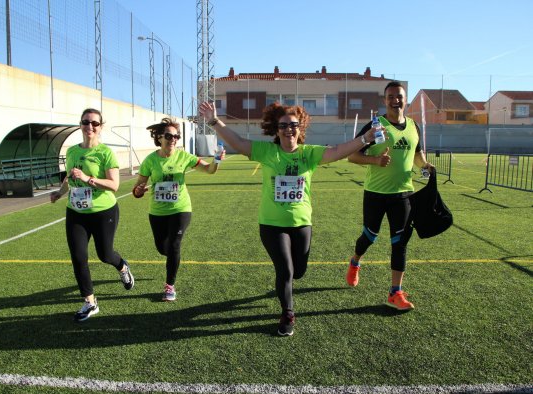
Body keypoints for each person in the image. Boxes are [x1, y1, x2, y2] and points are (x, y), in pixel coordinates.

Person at [198, 100, 382, 337]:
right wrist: (214, 121)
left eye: (293, 124)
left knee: (299, 272)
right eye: (283, 125)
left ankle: (287, 295)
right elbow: (239, 142)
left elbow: (338, 151)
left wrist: (365, 139)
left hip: (302, 223)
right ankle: (288, 313)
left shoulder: (309, 154)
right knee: (284, 270)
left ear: (300, 127)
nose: (289, 129)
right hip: (272, 225)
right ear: (276, 129)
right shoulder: (268, 152)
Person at [346, 81, 434, 310]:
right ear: (385, 100)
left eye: (400, 96)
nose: (396, 100)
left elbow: (417, 155)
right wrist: (375, 160)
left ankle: (396, 293)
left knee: (401, 242)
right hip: (376, 193)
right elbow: (353, 156)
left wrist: (425, 165)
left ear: (405, 99)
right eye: (391, 97)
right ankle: (355, 261)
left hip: (404, 194)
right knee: (369, 236)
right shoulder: (377, 126)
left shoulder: (414, 126)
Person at [50, 108, 134, 322]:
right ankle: (90, 302)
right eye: (86, 122)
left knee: (105, 254)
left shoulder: (105, 153)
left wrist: (88, 178)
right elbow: (69, 178)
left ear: (100, 127)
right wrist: (60, 193)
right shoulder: (71, 152)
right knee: (78, 257)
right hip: (76, 212)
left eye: (95, 123)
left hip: (103, 211)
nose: (90, 127)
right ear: (80, 124)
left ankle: (122, 266)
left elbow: (114, 184)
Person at [132, 118, 224, 301]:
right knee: (162, 248)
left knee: (174, 245)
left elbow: (209, 170)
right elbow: (137, 189)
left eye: (176, 136)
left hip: (181, 208)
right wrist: (139, 190)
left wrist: (216, 160)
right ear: (159, 138)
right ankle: (172, 258)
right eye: (169, 135)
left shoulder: (184, 156)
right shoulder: (150, 160)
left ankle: (169, 286)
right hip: (157, 211)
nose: (173, 139)